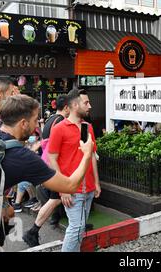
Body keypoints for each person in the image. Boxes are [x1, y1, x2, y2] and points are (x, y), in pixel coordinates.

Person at [0, 95, 94, 252]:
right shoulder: (21, 156)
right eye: (35, 120)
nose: (37, 126)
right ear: (23, 123)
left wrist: (5, 203)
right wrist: (87, 154)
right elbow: (70, 185)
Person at [48, 89, 101, 252]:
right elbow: (52, 160)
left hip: (89, 188)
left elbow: (91, 155)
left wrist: (97, 183)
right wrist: (62, 190)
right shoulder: (59, 128)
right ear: (75, 105)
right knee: (76, 228)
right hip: (71, 190)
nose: (90, 106)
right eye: (86, 102)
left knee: (79, 229)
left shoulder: (88, 127)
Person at [22, 95, 70, 247]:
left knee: (56, 199)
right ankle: (32, 231)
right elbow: (59, 147)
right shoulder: (61, 121)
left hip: (47, 163)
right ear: (67, 107)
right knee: (55, 199)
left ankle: (36, 230)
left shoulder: (50, 120)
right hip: (55, 166)